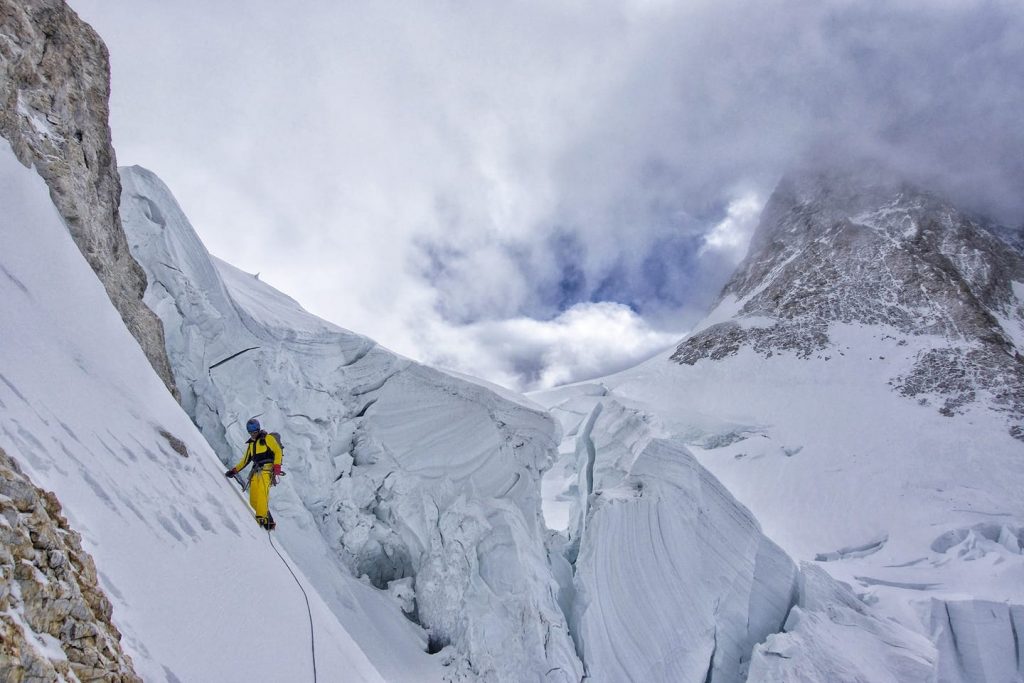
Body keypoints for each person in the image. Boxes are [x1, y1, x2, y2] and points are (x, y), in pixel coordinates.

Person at [224, 418, 282, 530]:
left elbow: (277, 451)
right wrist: (234, 471)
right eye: (250, 432)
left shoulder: (268, 439)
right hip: (256, 472)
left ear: (258, 430)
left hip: (267, 471)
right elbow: (245, 461)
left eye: (254, 432)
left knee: (262, 494)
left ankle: (262, 519)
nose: (252, 435)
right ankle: (267, 519)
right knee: (253, 500)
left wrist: (277, 467)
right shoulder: (251, 445)